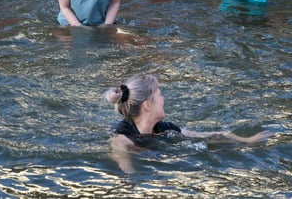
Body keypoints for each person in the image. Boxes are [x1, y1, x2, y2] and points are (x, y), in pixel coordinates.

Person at [105, 73, 271, 173]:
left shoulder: (164, 129)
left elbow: (205, 136)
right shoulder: (122, 136)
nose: (163, 99)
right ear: (147, 105)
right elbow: (122, 159)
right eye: (159, 95)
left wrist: (246, 141)